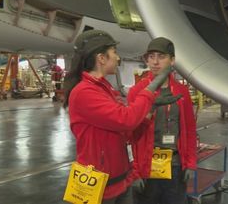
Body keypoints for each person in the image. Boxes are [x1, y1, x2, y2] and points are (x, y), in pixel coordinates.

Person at [64, 30, 173, 204]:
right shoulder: (84, 92)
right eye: (114, 52)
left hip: (121, 180)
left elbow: (127, 131)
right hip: (99, 187)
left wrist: (148, 111)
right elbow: (126, 119)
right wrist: (150, 90)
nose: (118, 58)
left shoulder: (105, 90)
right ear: (101, 58)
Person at [128, 37, 197, 204]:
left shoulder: (181, 92)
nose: (155, 62)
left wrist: (190, 163)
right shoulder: (137, 91)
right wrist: (134, 172)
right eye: (151, 57)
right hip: (146, 166)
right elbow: (131, 136)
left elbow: (189, 129)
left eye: (161, 56)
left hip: (174, 166)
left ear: (172, 60)